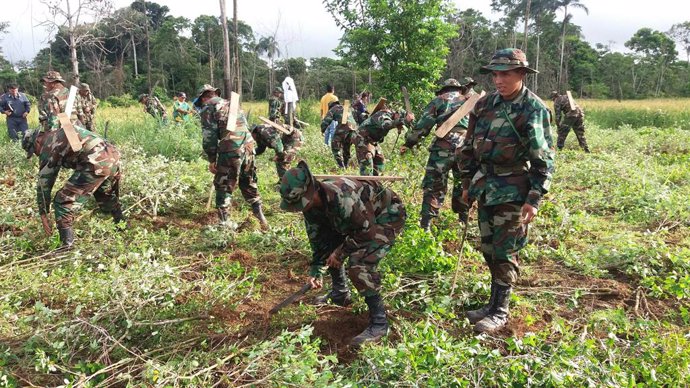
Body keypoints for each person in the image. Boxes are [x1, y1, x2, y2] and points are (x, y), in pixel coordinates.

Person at [459, 48, 555, 333]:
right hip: (485, 186)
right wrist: (467, 184)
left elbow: (543, 158)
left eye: (506, 74)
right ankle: (491, 304)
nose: (499, 80)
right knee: (489, 249)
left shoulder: (533, 109)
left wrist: (534, 198)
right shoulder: (484, 105)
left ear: (521, 75)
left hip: (513, 189)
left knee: (505, 251)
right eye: (495, 74)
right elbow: (468, 147)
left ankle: (500, 311)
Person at [279, 161, 406, 346]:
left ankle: (380, 323)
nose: (301, 207)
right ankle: (340, 293)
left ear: (313, 190)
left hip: (386, 216)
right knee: (330, 246)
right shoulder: (311, 207)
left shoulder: (343, 198)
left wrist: (340, 253)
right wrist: (316, 269)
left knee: (359, 263)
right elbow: (319, 239)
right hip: (359, 223)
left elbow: (366, 232)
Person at [21, 126, 125, 248]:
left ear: (37, 140)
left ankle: (67, 246)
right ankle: (122, 227)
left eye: (34, 151)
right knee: (104, 195)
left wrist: (43, 214)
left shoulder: (48, 144)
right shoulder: (59, 132)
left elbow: (44, 182)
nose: (37, 154)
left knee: (63, 201)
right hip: (112, 155)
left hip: (95, 161)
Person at [400, 78, 471, 231]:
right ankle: (463, 222)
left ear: (443, 90)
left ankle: (426, 225)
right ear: (459, 89)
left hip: (442, 149)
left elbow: (422, 127)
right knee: (464, 185)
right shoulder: (470, 101)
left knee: (433, 186)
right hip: (466, 150)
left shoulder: (439, 101)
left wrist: (409, 143)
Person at [196, 84, 268, 229]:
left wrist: (212, 160)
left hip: (231, 150)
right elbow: (245, 127)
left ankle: (225, 223)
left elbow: (209, 138)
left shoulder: (208, 107)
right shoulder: (232, 104)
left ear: (204, 98)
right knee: (248, 182)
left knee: (224, 184)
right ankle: (261, 219)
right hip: (248, 148)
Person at [355, 104, 414, 176]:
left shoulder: (390, 118)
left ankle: (376, 182)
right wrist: (403, 120)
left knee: (380, 161)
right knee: (368, 159)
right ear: (397, 114)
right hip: (362, 138)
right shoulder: (384, 114)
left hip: (372, 140)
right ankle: (366, 182)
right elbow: (386, 125)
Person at [321, 99, 356, 169]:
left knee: (335, 146)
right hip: (353, 129)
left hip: (344, 127)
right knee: (346, 147)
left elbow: (326, 120)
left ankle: (341, 166)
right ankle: (346, 165)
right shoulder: (346, 107)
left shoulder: (334, 108)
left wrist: (322, 130)